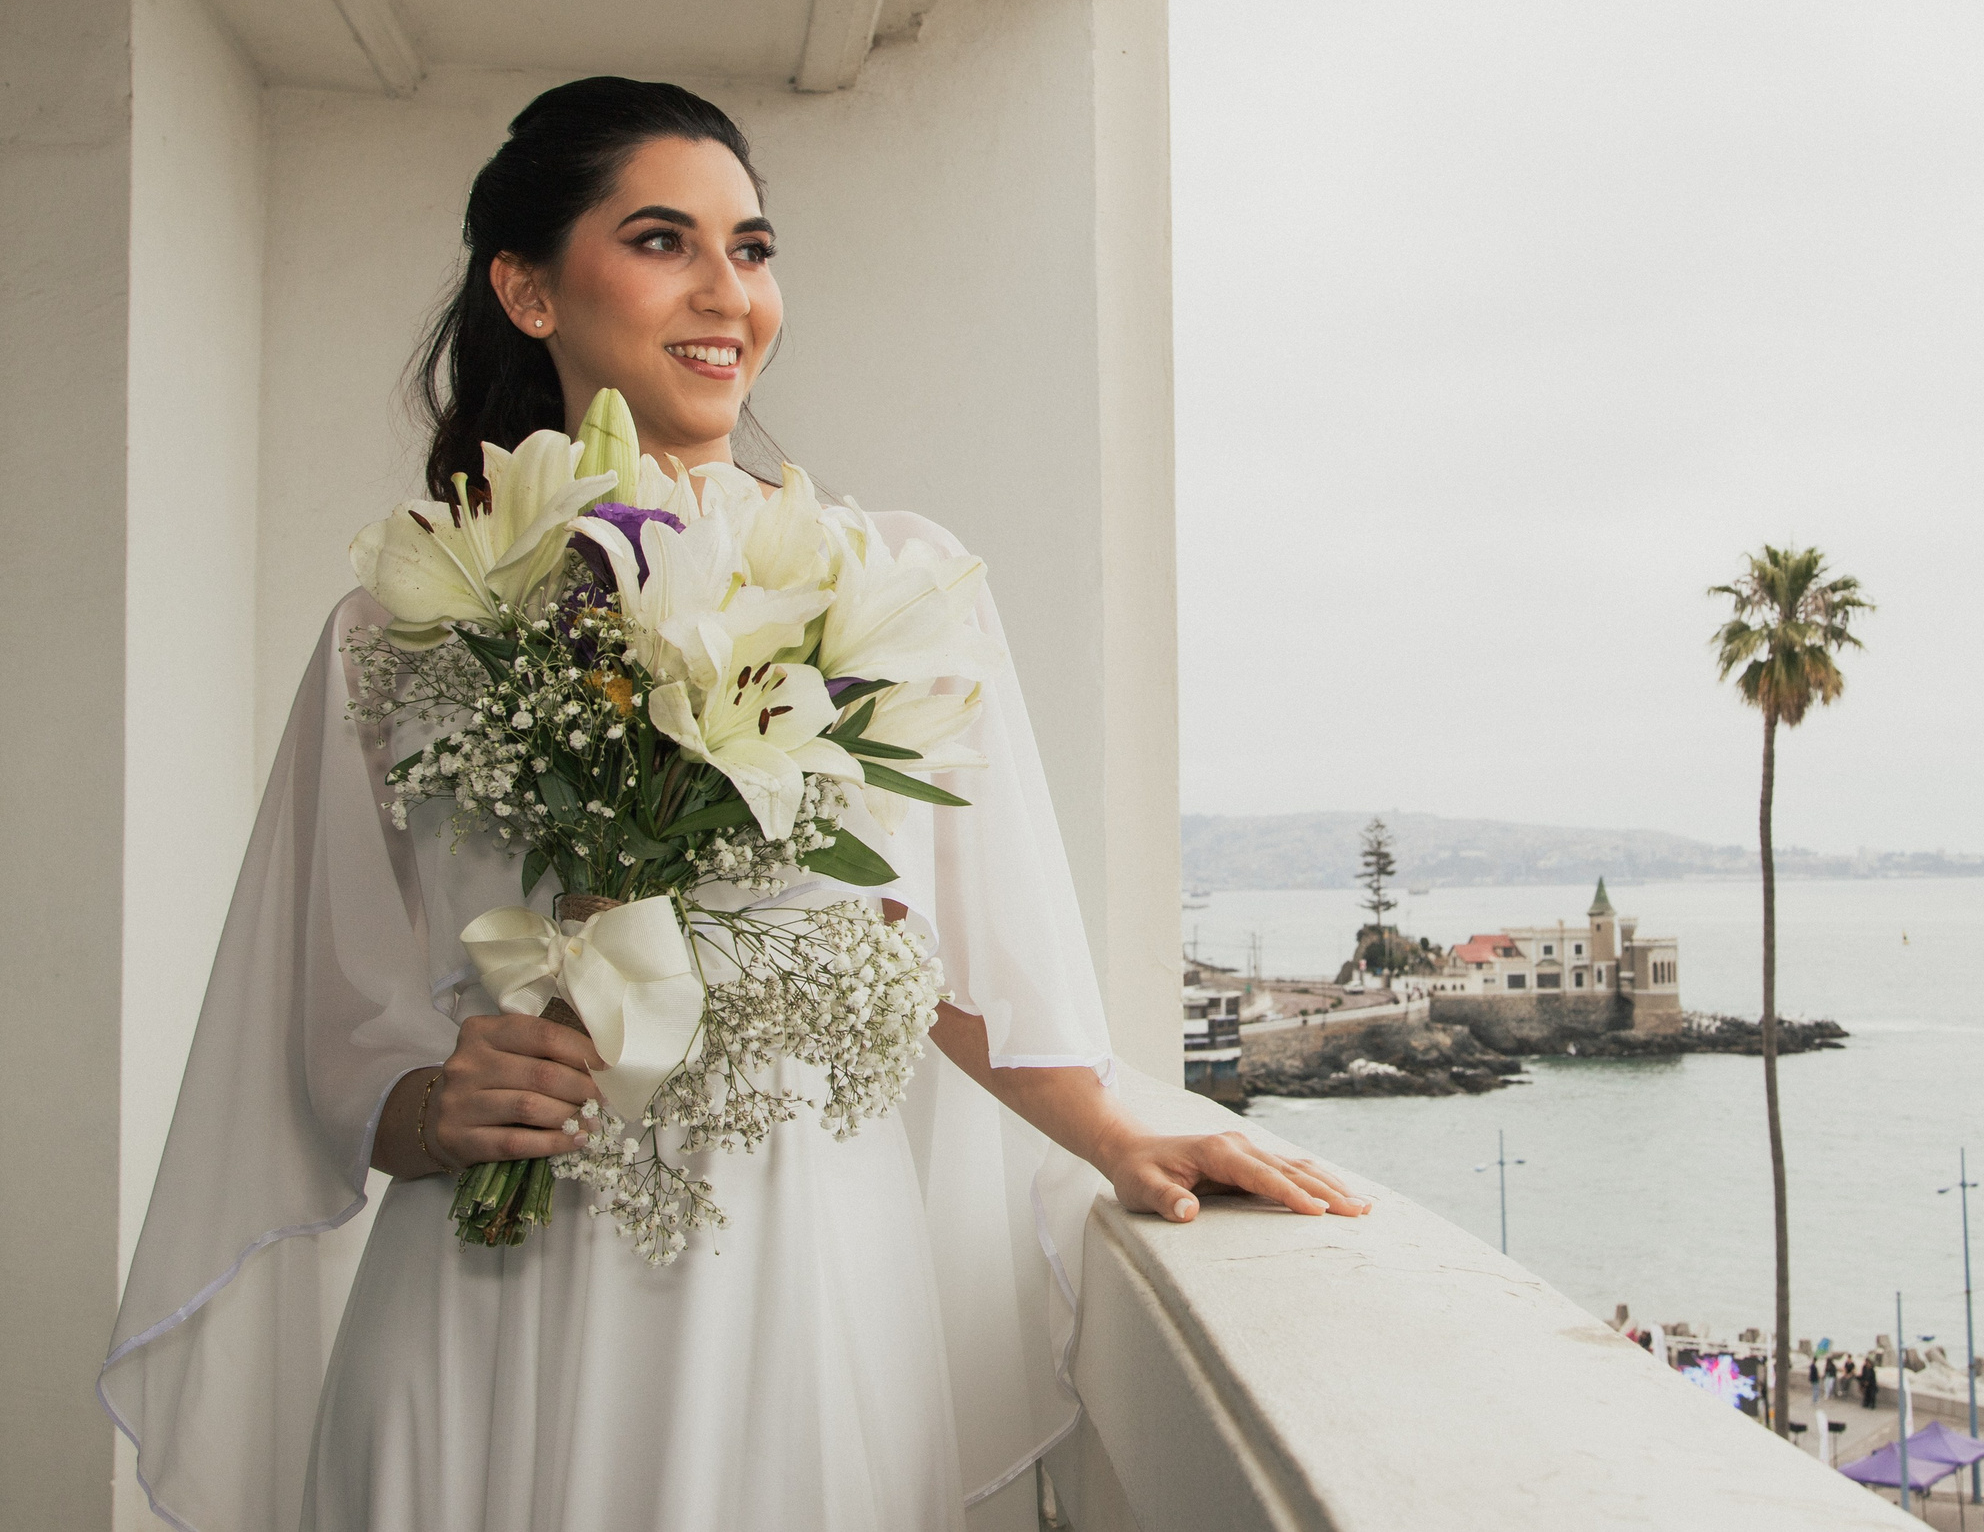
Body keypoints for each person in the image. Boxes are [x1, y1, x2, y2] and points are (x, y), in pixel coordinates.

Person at [98, 78, 1367, 1532]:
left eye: (751, 249)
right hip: (485, 1292)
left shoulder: (885, 582)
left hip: (793, 1281)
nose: (729, 294)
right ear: (527, 289)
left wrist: (1118, 1130)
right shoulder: (401, 624)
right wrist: (436, 1109)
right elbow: (323, 1018)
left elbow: (953, 942)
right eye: (663, 241)